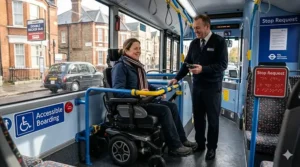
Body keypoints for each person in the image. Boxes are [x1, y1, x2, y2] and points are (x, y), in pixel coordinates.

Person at [111, 38, 198, 156]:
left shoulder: (136, 66)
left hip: (142, 101)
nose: (139, 51)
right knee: (164, 110)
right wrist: (137, 92)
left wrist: (157, 90)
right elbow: (117, 91)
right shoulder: (121, 67)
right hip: (131, 104)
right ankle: (175, 147)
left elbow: (146, 85)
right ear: (126, 50)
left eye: (139, 48)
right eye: (135, 48)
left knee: (172, 106)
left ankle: (182, 140)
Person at [169, 14, 228, 160]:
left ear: (207, 27)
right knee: (199, 118)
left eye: (198, 28)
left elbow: (222, 65)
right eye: (194, 28)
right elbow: (187, 63)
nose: (196, 31)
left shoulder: (219, 42)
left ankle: (212, 148)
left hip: (213, 88)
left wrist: (204, 69)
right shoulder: (194, 43)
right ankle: (200, 144)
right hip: (197, 87)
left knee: (213, 120)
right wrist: (177, 77)